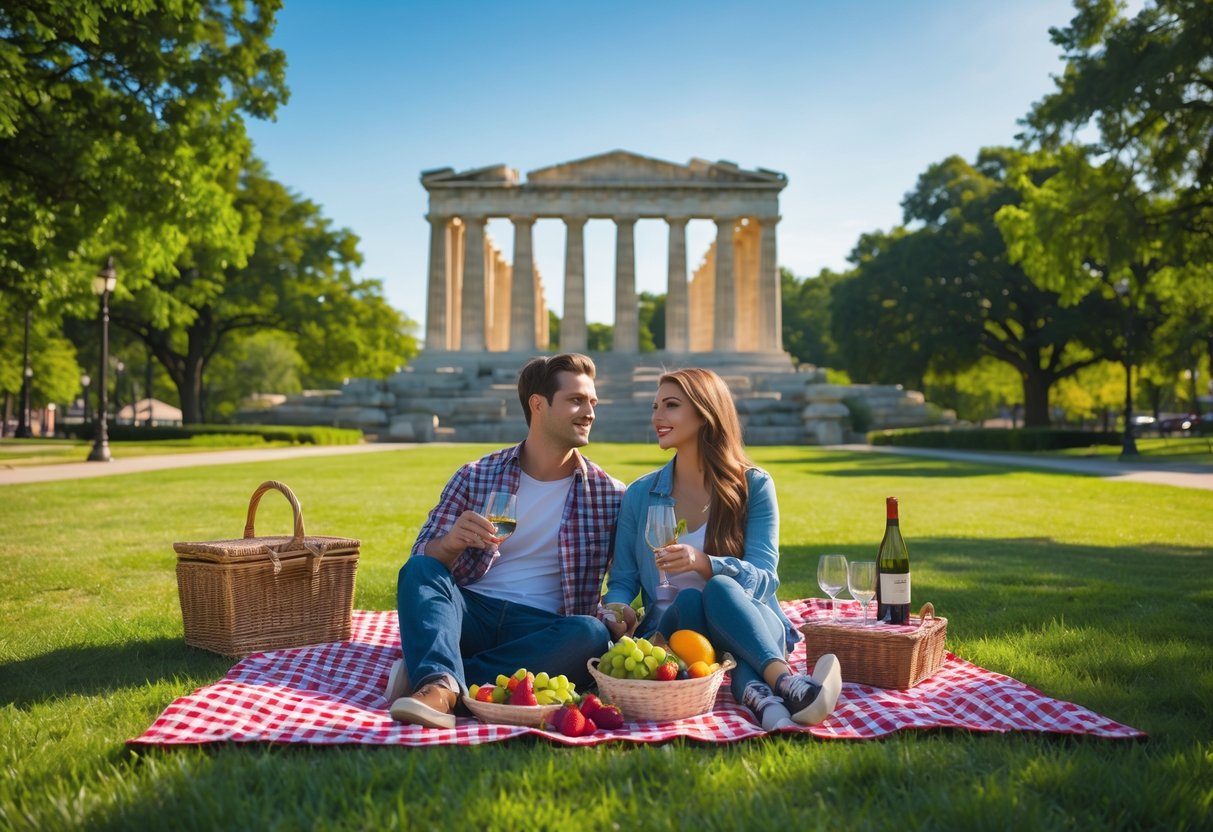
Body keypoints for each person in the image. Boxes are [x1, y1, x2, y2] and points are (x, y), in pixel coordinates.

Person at [388, 353, 625, 728]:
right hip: (471, 614)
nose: (589, 412)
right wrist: (451, 542)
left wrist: (620, 610)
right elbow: (423, 555)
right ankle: (449, 681)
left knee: (591, 633)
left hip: (544, 628)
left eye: (593, 402)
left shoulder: (609, 494)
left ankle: (441, 682)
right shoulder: (476, 475)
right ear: (538, 404)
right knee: (419, 570)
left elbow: (624, 580)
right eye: (576, 400)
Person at [600, 368, 842, 729]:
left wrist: (705, 564)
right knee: (690, 600)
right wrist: (618, 609)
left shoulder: (753, 486)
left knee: (720, 587)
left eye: (670, 406)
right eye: (656, 406)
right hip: (678, 629)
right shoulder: (639, 494)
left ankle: (770, 704)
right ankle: (790, 684)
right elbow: (622, 580)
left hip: (747, 620)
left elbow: (763, 579)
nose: (657, 417)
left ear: (704, 413)